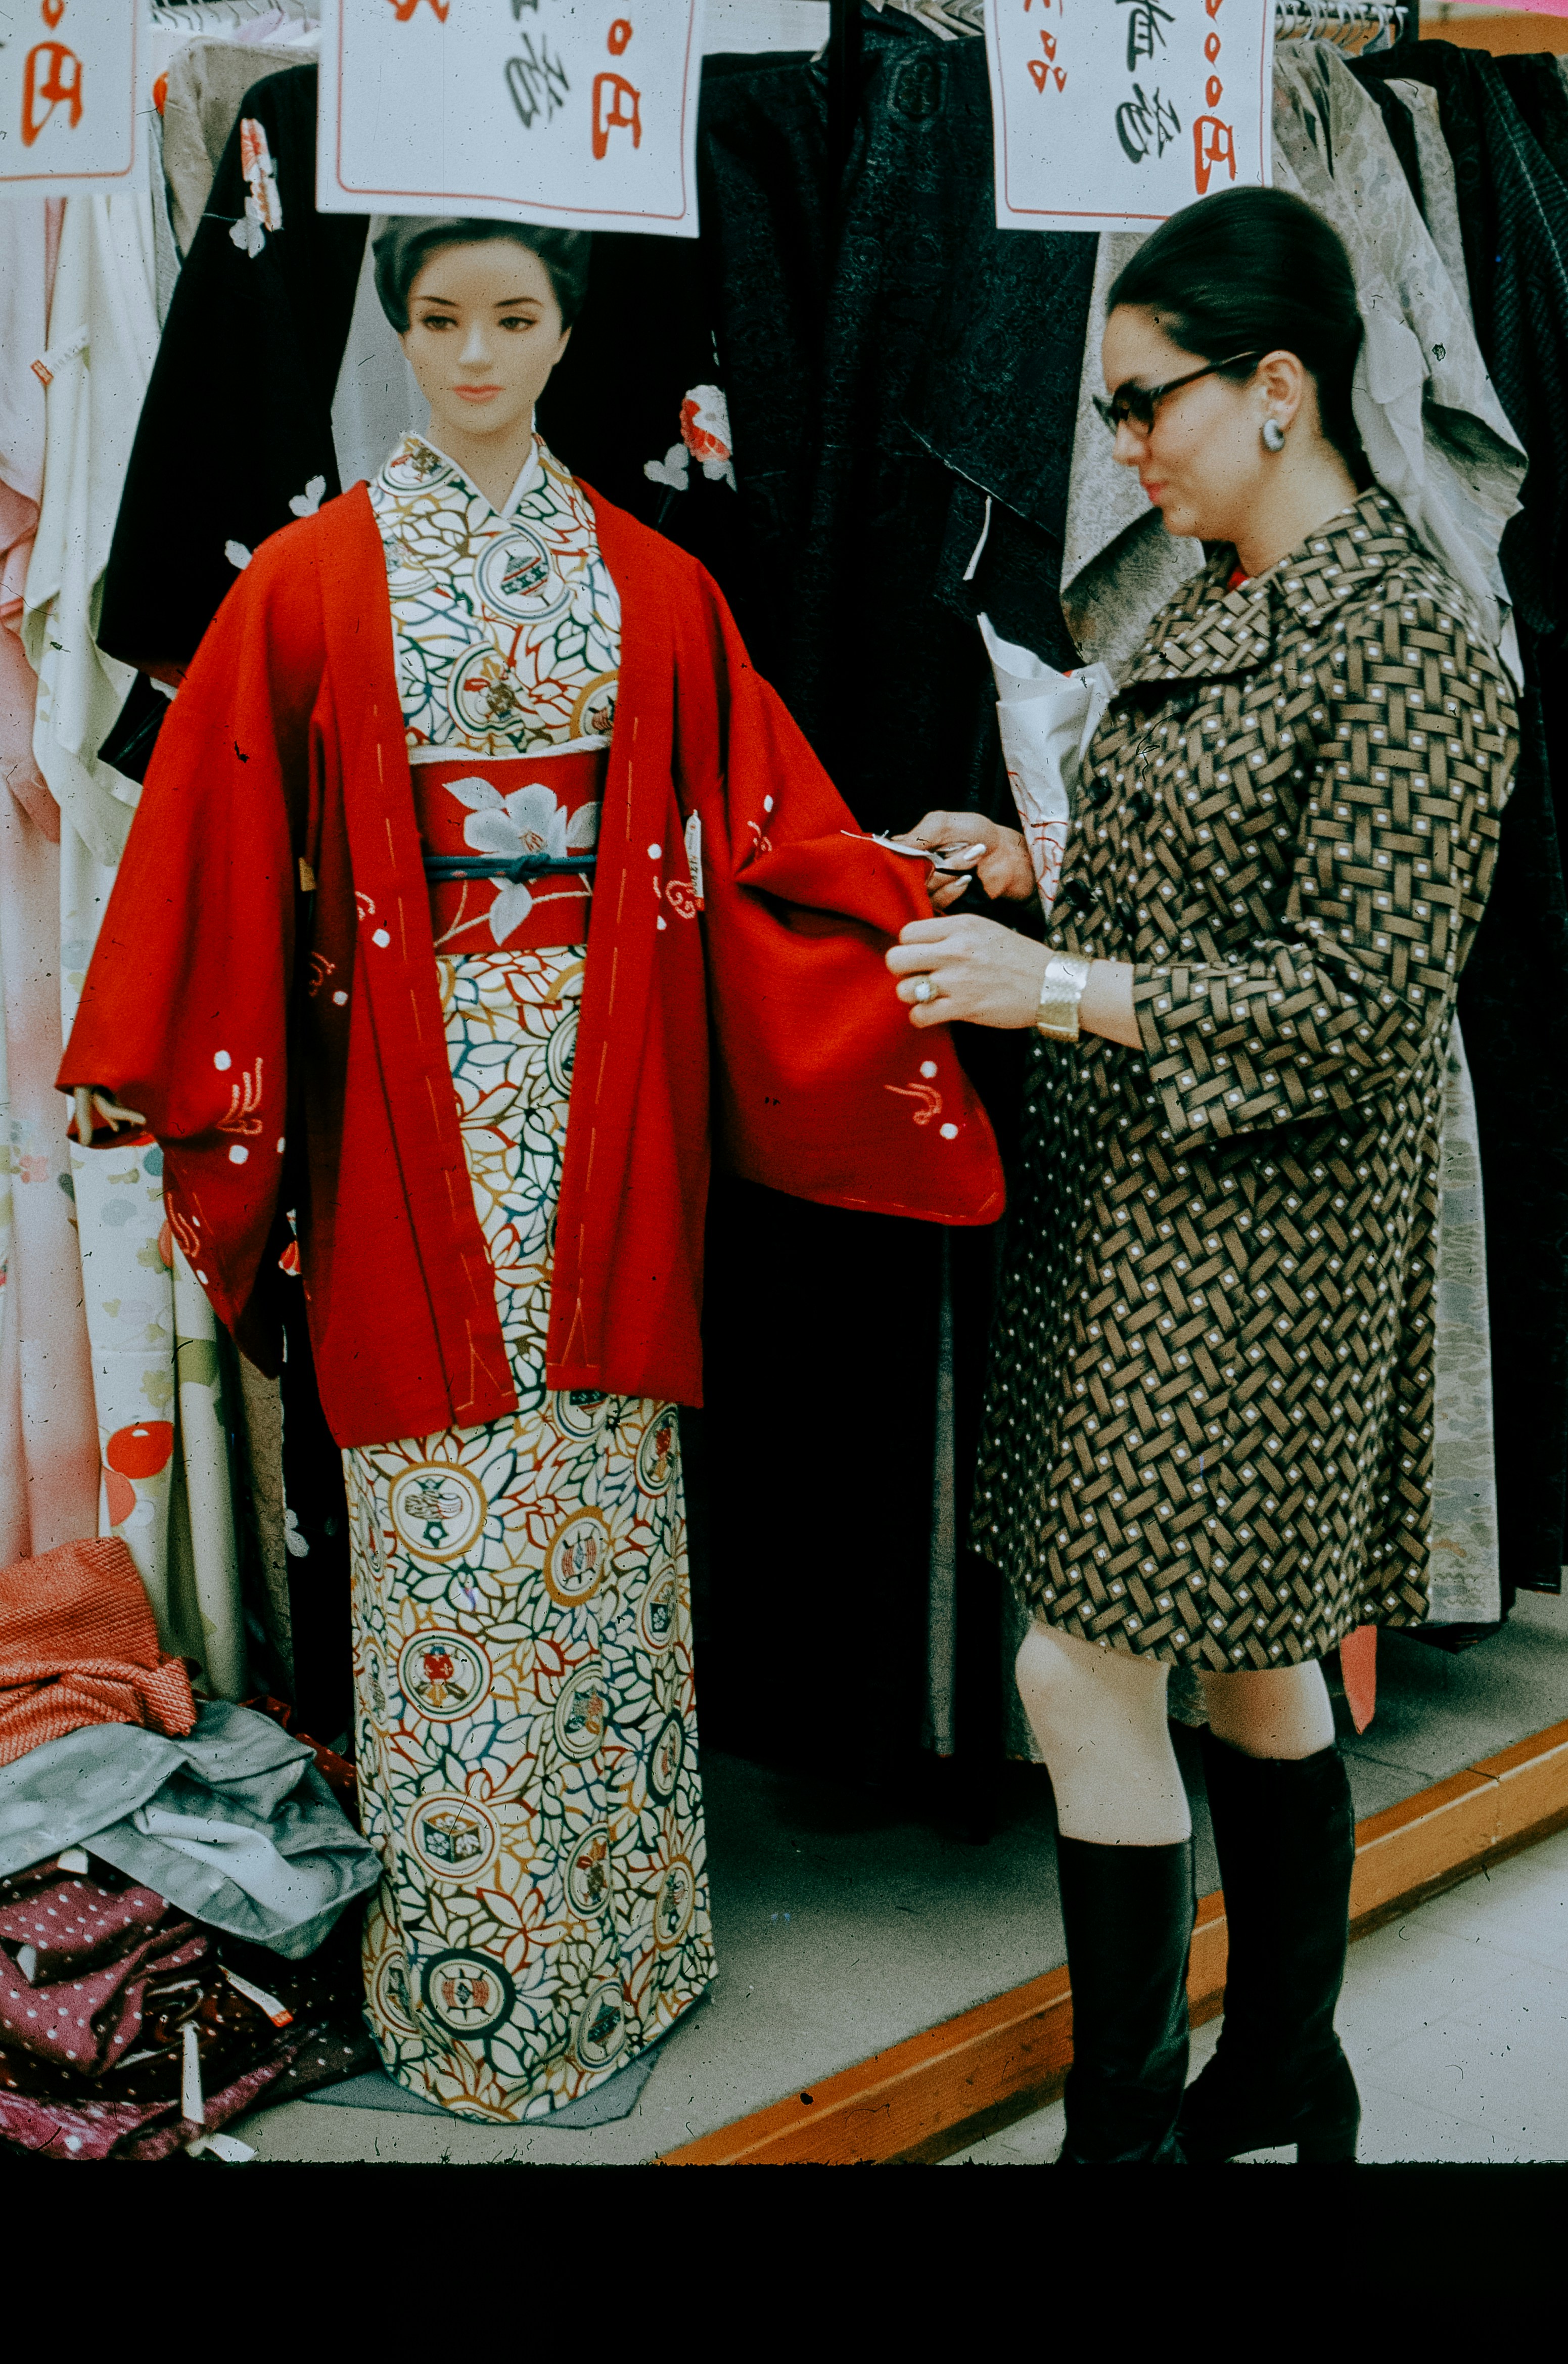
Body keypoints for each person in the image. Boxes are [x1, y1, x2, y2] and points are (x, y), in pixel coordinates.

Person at [59, 217, 1002, 2122]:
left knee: (602, 1517)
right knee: (437, 1532)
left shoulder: (652, 588)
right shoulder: (314, 583)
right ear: (397, 331)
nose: (474, 356)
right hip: (405, 1102)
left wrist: (906, 888)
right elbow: (223, 827)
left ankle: (628, 1938)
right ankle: (477, 1988)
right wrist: (147, 1051)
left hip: (603, 1094)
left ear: (573, 333)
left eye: (512, 319)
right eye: (437, 319)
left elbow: (761, 833)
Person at [889, 186, 1518, 2164]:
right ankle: (1284, 2071)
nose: (1123, 443)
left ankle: (1125, 2125)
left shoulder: (1410, 645)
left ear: (1274, 385)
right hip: (1150, 1211)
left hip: (1250, 1244)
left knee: (1074, 1670)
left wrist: (1046, 978)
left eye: (1143, 400)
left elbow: (1351, 1003)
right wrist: (1024, 872)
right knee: (1250, 1658)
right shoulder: (1226, 592)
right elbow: (1208, 880)